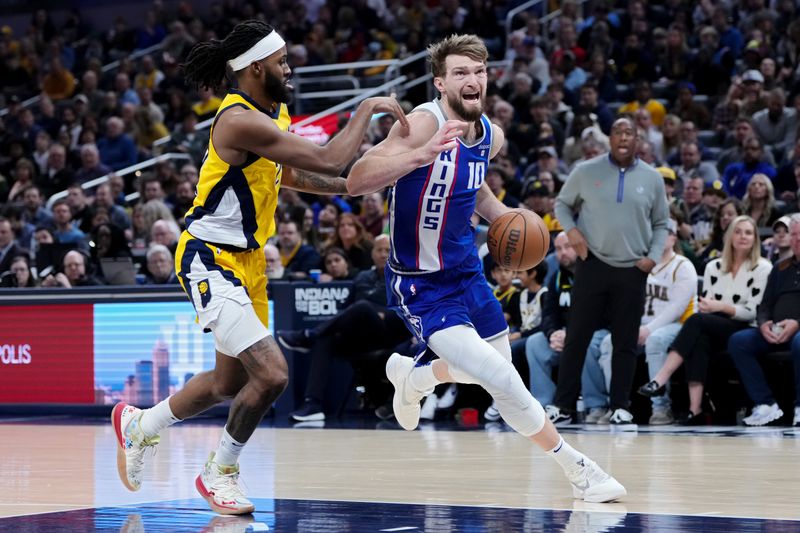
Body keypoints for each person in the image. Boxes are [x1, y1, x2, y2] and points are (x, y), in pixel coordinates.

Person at [110, 20, 408, 516]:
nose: (289, 70)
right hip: (210, 258)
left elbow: (290, 172)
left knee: (229, 385)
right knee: (271, 375)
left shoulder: (273, 113)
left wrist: (358, 187)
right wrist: (365, 108)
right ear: (254, 68)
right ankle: (220, 472)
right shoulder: (236, 120)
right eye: (282, 62)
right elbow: (331, 157)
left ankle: (141, 426)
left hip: (249, 265)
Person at [347, 34, 625, 503]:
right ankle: (579, 469)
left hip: (466, 273)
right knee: (500, 378)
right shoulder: (422, 123)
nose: (471, 80)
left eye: (478, 72)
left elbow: (474, 193)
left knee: (485, 371)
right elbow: (357, 180)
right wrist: (421, 153)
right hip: (421, 283)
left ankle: (414, 377)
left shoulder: (490, 137)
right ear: (440, 83)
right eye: (460, 73)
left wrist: (510, 222)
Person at [548, 117, 670, 426]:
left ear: (638, 139)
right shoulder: (586, 171)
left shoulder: (652, 178)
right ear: (610, 139)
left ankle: (620, 406)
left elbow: (661, 224)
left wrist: (652, 258)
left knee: (625, 341)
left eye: (630, 132)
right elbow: (562, 205)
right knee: (576, 337)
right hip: (593, 265)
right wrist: (573, 234)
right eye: (618, 131)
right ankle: (562, 406)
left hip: (633, 268)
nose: (624, 137)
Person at [638, 216, 771, 424]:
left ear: (755, 238)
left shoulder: (763, 267)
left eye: (748, 232)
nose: (743, 236)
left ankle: (660, 379)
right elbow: (707, 305)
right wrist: (715, 308)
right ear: (729, 236)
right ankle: (695, 410)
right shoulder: (713, 266)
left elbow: (752, 311)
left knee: (697, 321)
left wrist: (721, 307)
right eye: (738, 231)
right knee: (698, 337)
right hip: (715, 324)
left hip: (745, 327)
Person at [600, 219, 697, 425]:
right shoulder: (639, 264)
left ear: (673, 237)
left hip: (679, 326)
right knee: (609, 342)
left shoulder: (683, 265)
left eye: (664, 232)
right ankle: (617, 405)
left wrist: (648, 329)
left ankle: (661, 408)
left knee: (656, 340)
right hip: (642, 326)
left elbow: (677, 308)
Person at [728, 214, 800, 427]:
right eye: (794, 235)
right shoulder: (780, 267)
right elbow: (765, 304)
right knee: (738, 341)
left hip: (797, 331)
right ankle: (765, 404)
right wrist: (764, 324)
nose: (796, 240)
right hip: (776, 330)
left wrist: (797, 323)